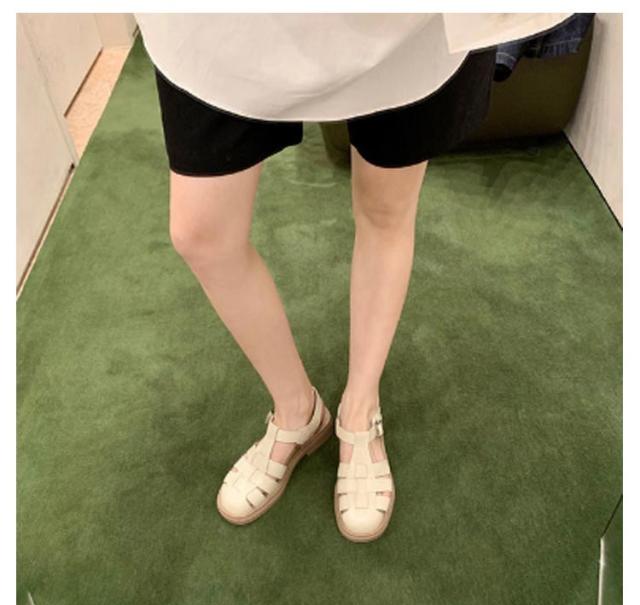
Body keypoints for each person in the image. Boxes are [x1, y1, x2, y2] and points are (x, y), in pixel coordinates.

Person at [136, 12, 571, 543]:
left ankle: (360, 409)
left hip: (400, 22)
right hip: (228, 23)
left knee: (386, 210)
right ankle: (298, 411)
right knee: (202, 233)